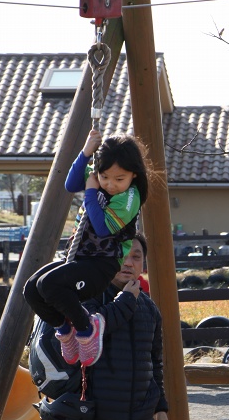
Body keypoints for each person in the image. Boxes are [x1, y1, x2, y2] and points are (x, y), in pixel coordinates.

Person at [24, 129, 148, 367]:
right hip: (80, 259)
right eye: (105, 177)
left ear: (133, 175)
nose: (111, 184)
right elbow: (70, 184)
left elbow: (102, 228)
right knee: (31, 289)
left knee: (48, 285)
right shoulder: (99, 176)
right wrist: (85, 153)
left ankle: (86, 328)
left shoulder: (130, 198)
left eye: (119, 179)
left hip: (102, 264)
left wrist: (91, 189)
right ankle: (66, 330)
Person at [76, 233, 169, 420]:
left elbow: (154, 362)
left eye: (136, 257)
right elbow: (91, 331)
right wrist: (126, 300)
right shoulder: (89, 297)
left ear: (143, 263)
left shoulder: (149, 308)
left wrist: (160, 408)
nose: (128, 263)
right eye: (121, 256)